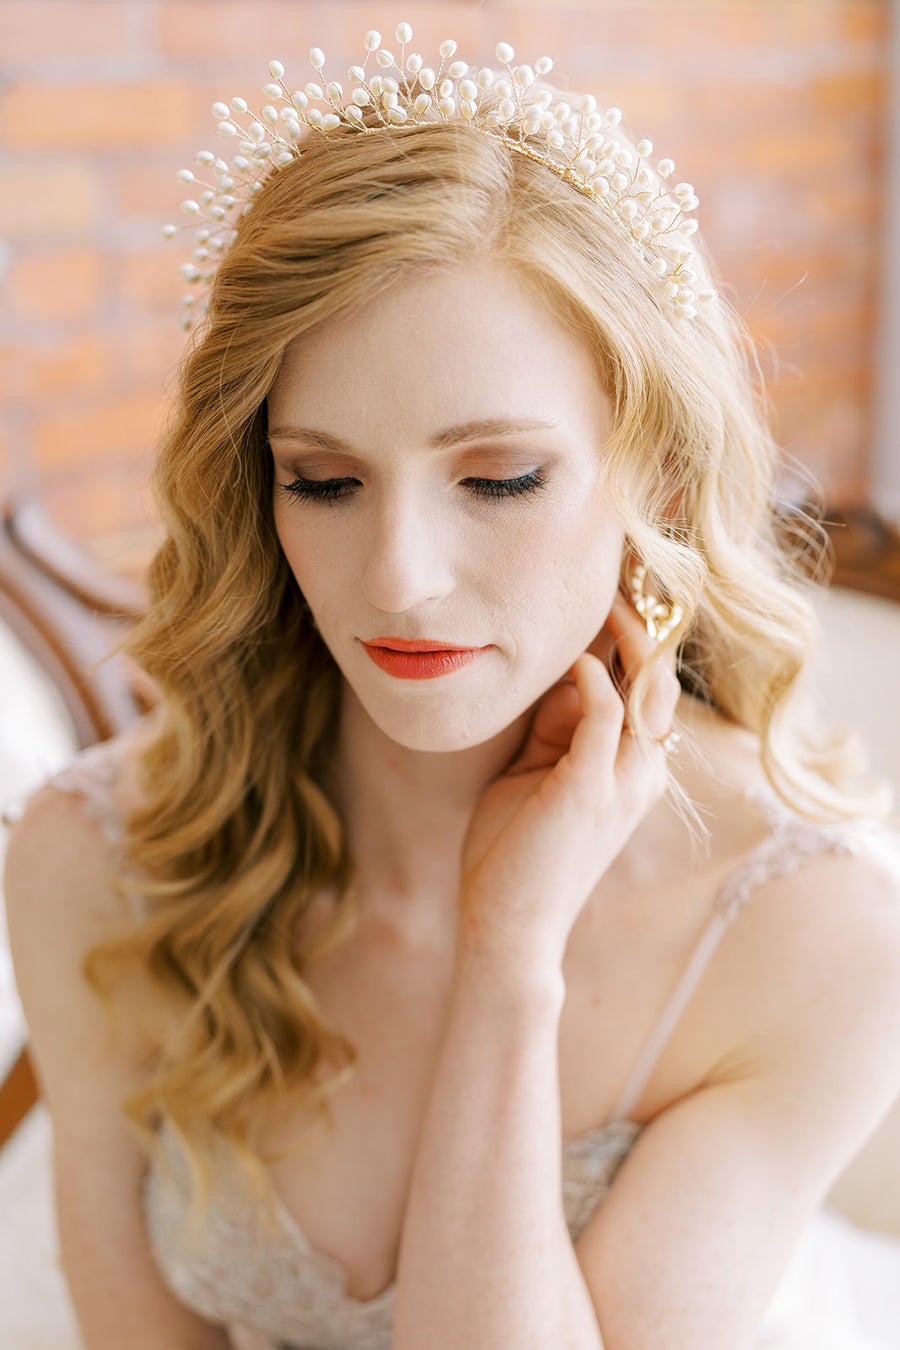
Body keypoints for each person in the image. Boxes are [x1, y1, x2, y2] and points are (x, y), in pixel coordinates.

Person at [6, 21, 900, 1350]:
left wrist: (509, 957)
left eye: (497, 479)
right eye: (324, 478)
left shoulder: (812, 933)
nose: (401, 577)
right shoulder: (94, 860)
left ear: (651, 480)